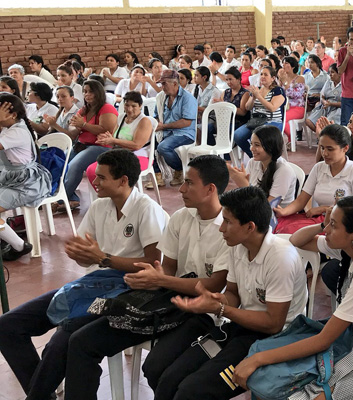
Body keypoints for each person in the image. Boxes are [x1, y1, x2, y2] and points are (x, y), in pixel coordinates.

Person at [0, 149, 165, 398]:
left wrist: (103, 258)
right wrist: (80, 253)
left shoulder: (145, 209)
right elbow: (85, 249)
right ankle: (41, 394)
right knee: (8, 326)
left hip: (132, 290)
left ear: (123, 180)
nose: (94, 182)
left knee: (63, 341)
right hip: (96, 283)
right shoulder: (100, 207)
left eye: (101, 177)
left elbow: (152, 265)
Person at [64, 155, 231, 400]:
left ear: (210, 189)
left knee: (156, 368)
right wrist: (149, 278)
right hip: (166, 303)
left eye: (188, 183)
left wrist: (160, 280)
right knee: (81, 340)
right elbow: (169, 269)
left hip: (201, 313)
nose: (181, 188)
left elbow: (214, 285)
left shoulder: (228, 227)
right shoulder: (180, 218)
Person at [235, 196, 353, 398]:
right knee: (289, 378)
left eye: (334, 225)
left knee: (316, 394)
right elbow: (296, 240)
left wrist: (258, 359)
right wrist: (323, 224)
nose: (327, 230)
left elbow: (323, 340)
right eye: (328, 223)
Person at [142, 186, 306, 399]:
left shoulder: (279, 258)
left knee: (192, 390)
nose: (221, 228)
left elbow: (273, 323)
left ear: (249, 227)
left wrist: (221, 308)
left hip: (275, 341)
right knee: (166, 376)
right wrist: (218, 300)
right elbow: (233, 294)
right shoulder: (237, 246)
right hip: (242, 329)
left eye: (228, 222)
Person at [274, 124, 353, 232]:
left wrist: (324, 209)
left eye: (330, 149)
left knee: (291, 232)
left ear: (345, 148)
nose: (324, 153)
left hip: (342, 224)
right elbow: (301, 200)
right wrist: (283, 212)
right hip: (320, 219)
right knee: (278, 226)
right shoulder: (319, 168)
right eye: (322, 148)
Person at [0, 94, 52, 261]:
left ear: (12, 115)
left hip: (26, 184)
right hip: (14, 179)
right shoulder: (10, 127)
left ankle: (19, 246)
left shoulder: (16, 132)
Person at [61, 79, 118, 210]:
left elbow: (105, 129)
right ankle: (70, 197)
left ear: (98, 93)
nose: (87, 95)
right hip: (82, 144)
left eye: (90, 92)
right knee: (61, 162)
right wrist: (75, 127)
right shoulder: (84, 109)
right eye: (85, 92)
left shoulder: (106, 108)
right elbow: (73, 128)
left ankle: (61, 199)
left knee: (74, 165)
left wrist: (83, 125)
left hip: (100, 146)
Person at [228, 125, 296, 208]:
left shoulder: (284, 171)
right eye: (251, 144)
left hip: (276, 217)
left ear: (270, 147)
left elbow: (267, 208)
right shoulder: (253, 162)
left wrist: (244, 185)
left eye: (257, 145)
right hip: (255, 210)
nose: (251, 149)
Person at [152, 70, 198, 187]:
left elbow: (186, 122)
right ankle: (158, 175)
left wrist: (164, 126)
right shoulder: (161, 97)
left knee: (163, 147)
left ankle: (179, 170)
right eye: (161, 84)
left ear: (175, 84)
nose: (162, 87)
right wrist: (157, 124)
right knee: (147, 142)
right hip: (165, 131)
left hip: (184, 133)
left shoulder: (188, 98)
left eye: (164, 84)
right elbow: (156, 116)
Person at [232, 66, 285, 158]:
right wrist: (253, 97)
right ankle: (254, 156)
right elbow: (248, 107)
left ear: (273, 78)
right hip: (256, 121)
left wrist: (259, 97)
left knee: (260, 136)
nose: (262, 77)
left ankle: (266, 158)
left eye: (266, 75)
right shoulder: (258, 89)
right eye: (261, 74)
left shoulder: (278, 90)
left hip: (272, 121)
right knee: (237, 135)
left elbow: (272, 108)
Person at [305, 64, 341, 133]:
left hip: (337, 108)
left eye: (333, 72)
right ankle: (321, 135)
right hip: (325, 106)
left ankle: (323, 136)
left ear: (339, 74)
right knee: (309, 121)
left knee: (328, 124)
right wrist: (324, 101)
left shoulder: (344, 84)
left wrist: (331, 104)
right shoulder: (328, 82)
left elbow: (345, 103)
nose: (330, 75)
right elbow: (322, 95)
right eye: (329, 72)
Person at [278, 57, 306, 139]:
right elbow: (279, 93)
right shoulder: (283, 78)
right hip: (285, 107)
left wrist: (284, 82)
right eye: (283, 63)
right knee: (276, 116)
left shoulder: (300, 78)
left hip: (297, 107)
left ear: (293, 66)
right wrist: (280, 81)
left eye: (286, 63)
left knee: (282, 118)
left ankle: (291, 139)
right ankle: (291, 138)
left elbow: (296, 95)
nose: (283, 65)